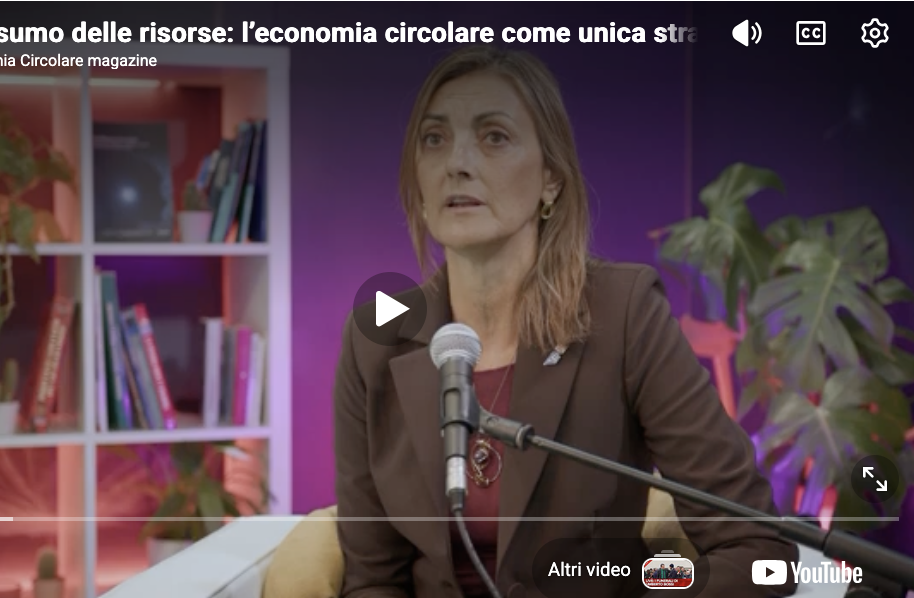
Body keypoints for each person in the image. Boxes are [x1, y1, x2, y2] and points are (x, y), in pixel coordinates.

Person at [333, 45, 798, 598]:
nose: (456, 161)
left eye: (493, 136)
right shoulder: (376, 339)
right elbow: (373, 580)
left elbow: (758, 550)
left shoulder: (623, 313)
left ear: (550, 179)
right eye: (434, 139)